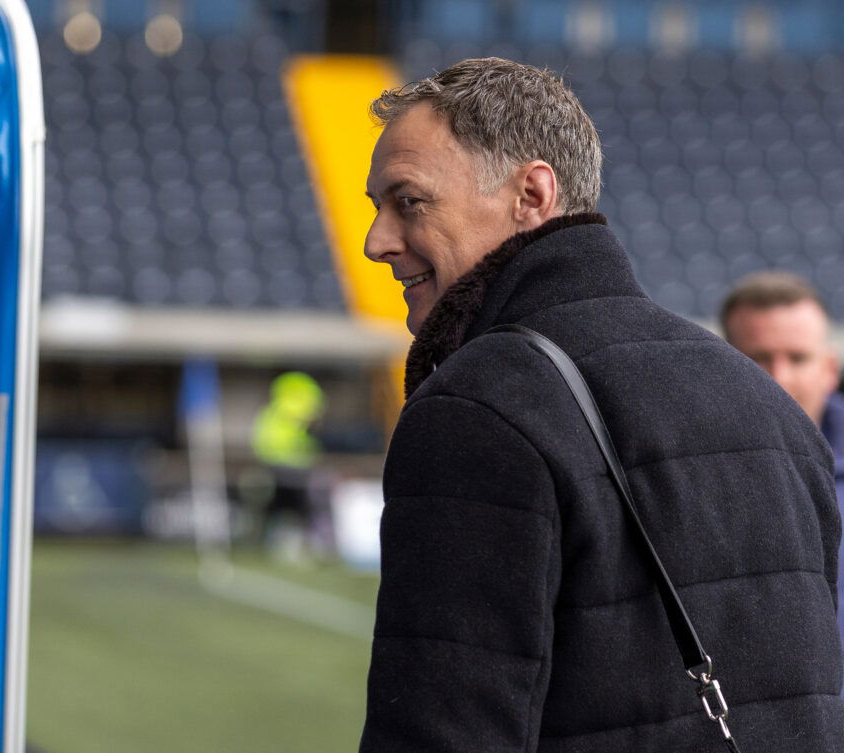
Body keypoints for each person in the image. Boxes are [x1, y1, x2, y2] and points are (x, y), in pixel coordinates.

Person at [359, 58, 844, 752]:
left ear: (531, 193)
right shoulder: (771, 407)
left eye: (409, 202)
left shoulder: (479, 405)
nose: (377, 241)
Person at [721, 271, 844, 654]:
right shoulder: (684, 474)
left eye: (797, 357)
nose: (779, 377)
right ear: (717, 366)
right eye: (757, 358)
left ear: (829, 370)